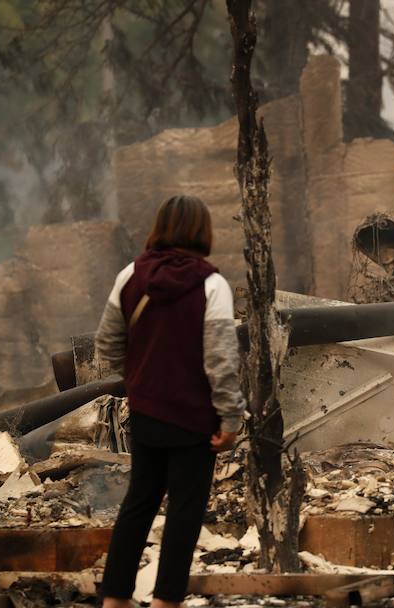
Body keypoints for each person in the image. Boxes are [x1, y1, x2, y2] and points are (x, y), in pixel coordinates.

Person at [94, 195, 247, 608]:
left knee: (137, 505)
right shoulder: (212, 286)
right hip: (194, 420)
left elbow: (106, 344)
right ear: (203, 231)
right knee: (184, 512)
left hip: (145, 413)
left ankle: (114, 600)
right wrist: (231, 419)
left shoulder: (129, 276)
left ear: (159, 227)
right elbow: (220, 361)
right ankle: (165, 602)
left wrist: (139, 379)